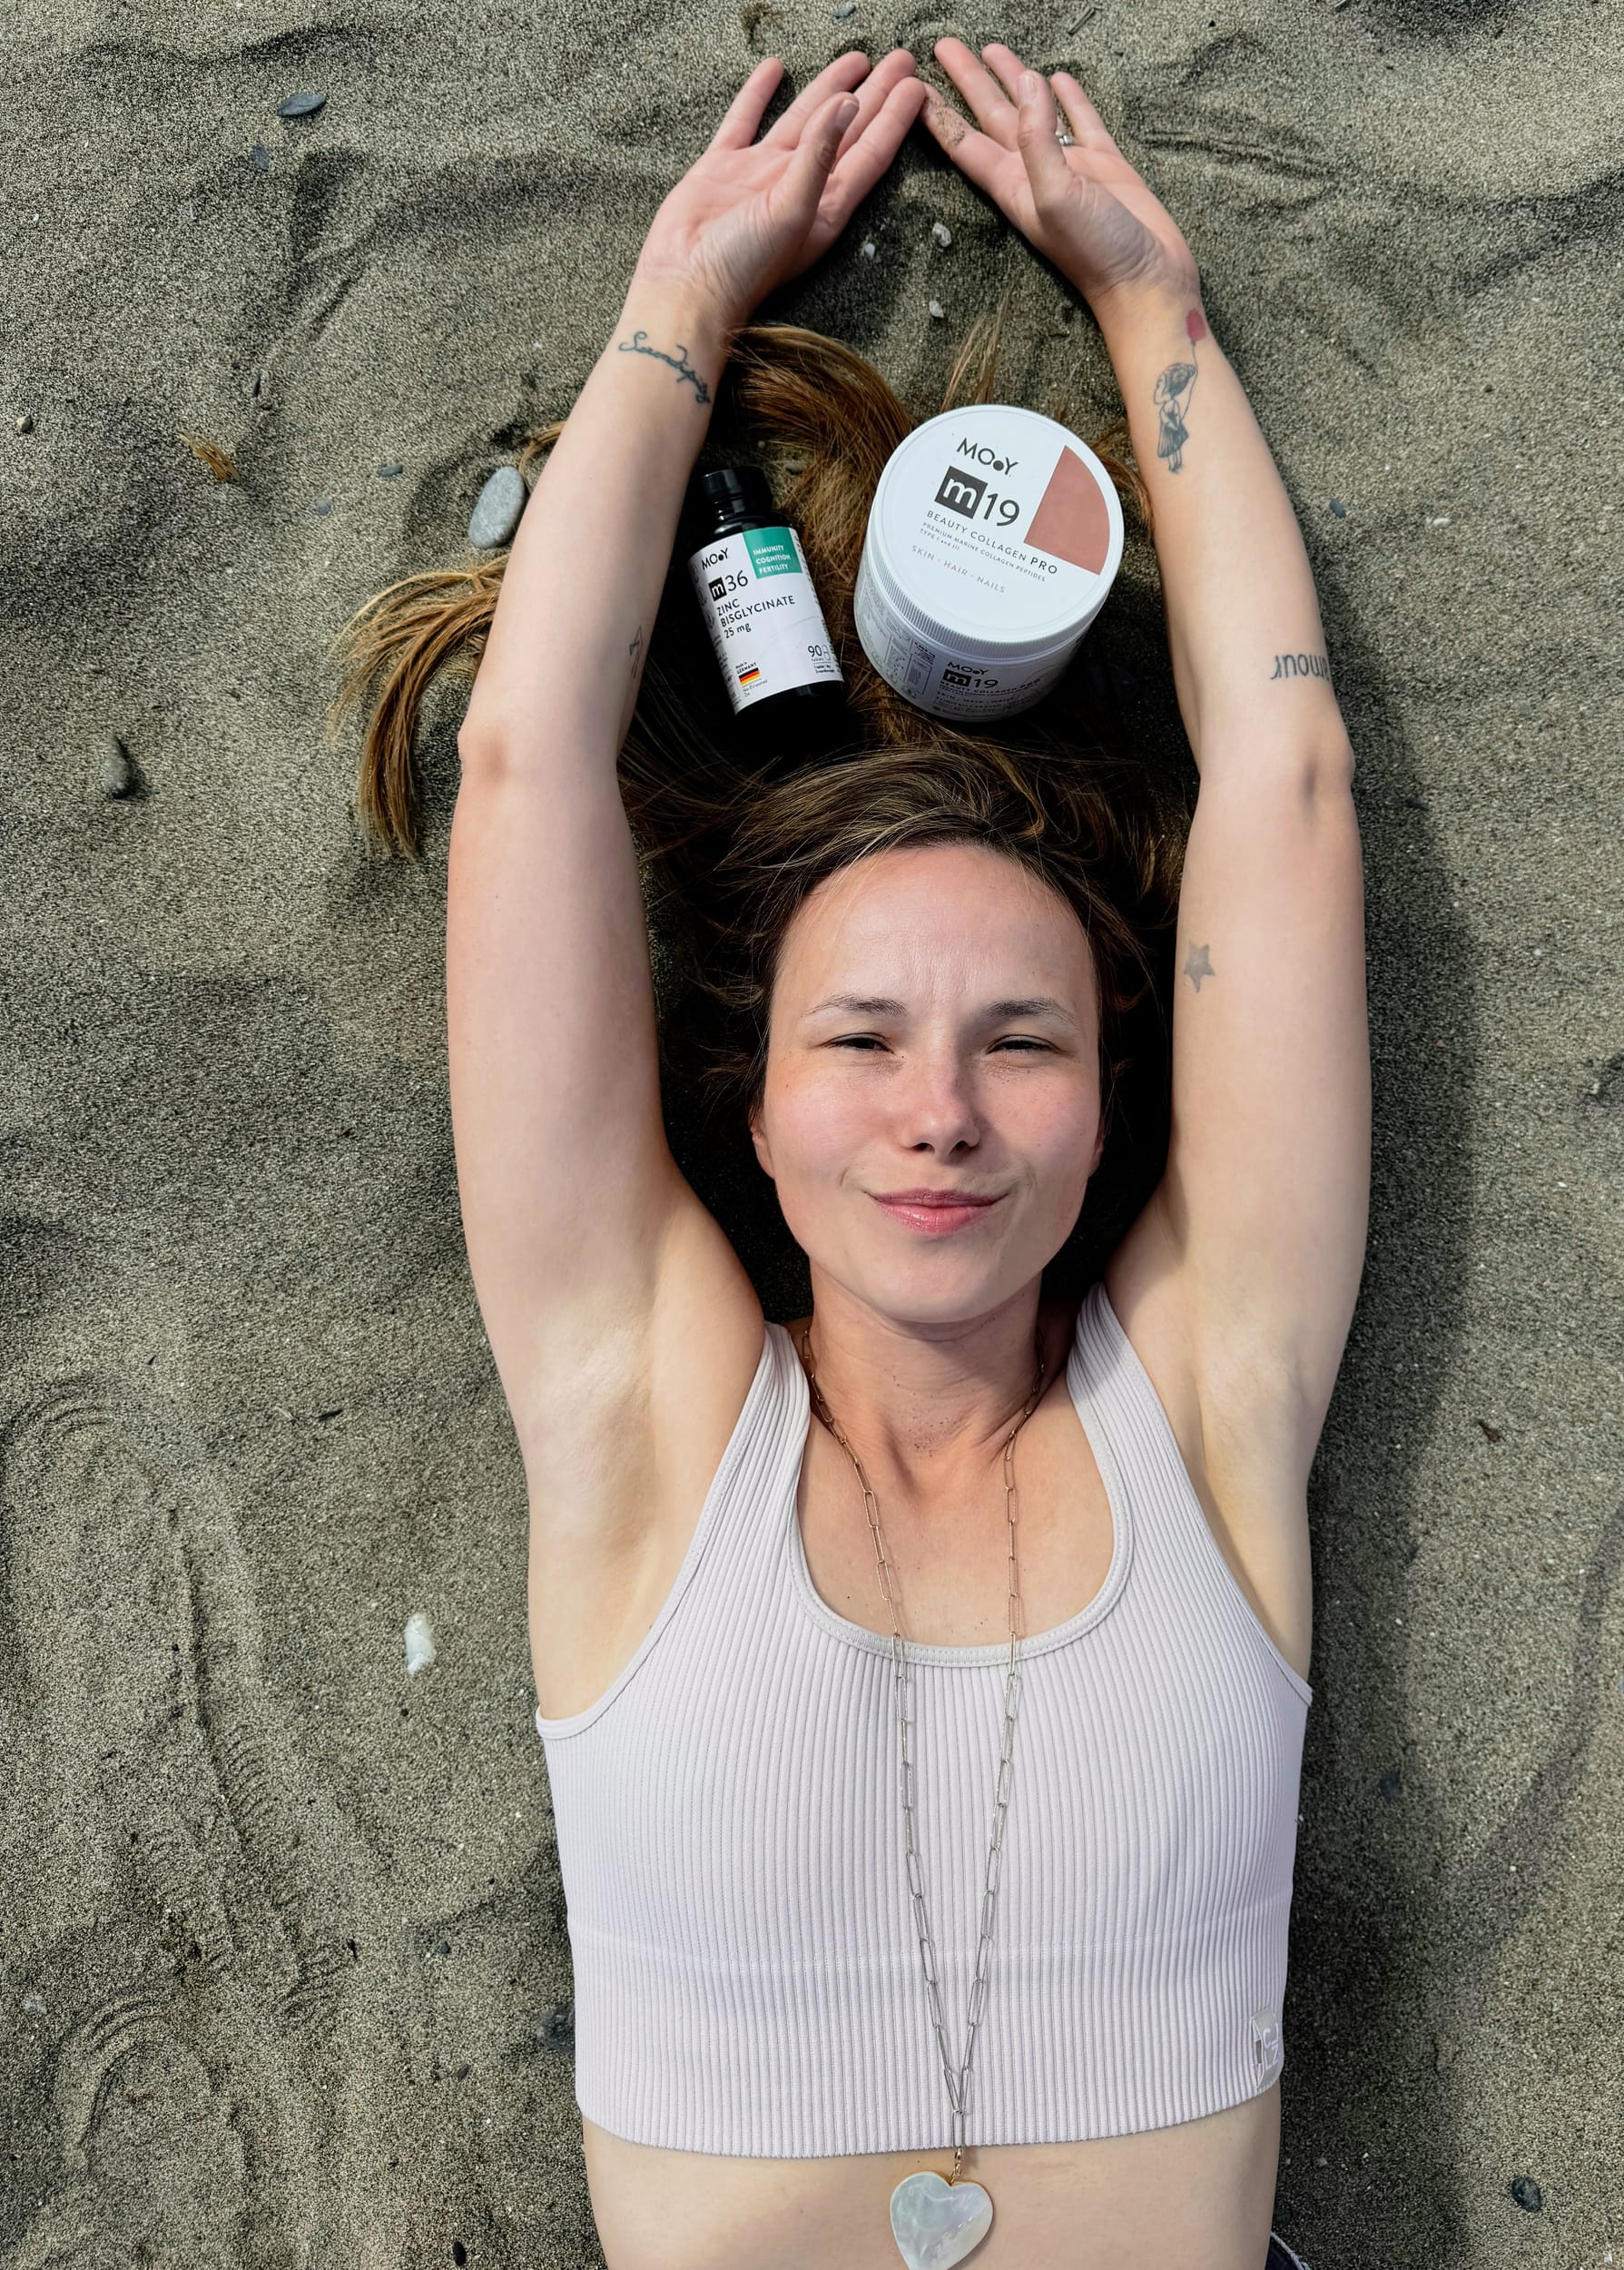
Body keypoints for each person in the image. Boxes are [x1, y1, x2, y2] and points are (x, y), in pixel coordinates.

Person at [336, 40, 1366, 2270]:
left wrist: (1161, 317)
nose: (940, 1107)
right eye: (863, 1037)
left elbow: (1282, 785)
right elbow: (524, 765)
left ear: (1110, 1102)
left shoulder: (1210, 1399)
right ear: (757, 1110)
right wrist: (675, 309)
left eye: (1022, 1038)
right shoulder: (641, 1421)